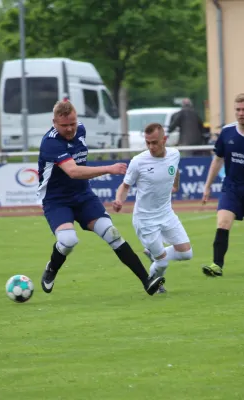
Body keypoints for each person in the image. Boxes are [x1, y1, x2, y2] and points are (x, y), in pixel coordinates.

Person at [37, 100, 165, 296]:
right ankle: (52, 268)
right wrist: (108, 168)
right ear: (54, 122)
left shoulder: (80, 130)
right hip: (56, 200)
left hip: (83, 196)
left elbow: (78, 167)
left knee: (112, 233)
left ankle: (147, 281)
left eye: (73, 122)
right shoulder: (50, 143)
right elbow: (72, 171)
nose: (70, 128)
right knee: (68, 240)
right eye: (64, 125)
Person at [112, 123, 193, 293]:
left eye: (155, 142)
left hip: (166, 213)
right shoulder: (138, 162)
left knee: (186, 254)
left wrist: (175, 187)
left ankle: (155, 255)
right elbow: (125, 186)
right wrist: (119, 200)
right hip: (145, 219)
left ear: (164, 139)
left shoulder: (174, 154)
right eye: (147, 143)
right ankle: (154, 283)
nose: (151, 147)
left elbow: (175, 171)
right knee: (162, 262)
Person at [201, 93, 244, 277]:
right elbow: (217, 160)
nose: (241, 113)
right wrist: (207, 185)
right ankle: (217, 265)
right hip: (231, 186)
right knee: (223, 222)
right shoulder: (227, 132)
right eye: (238, 109)